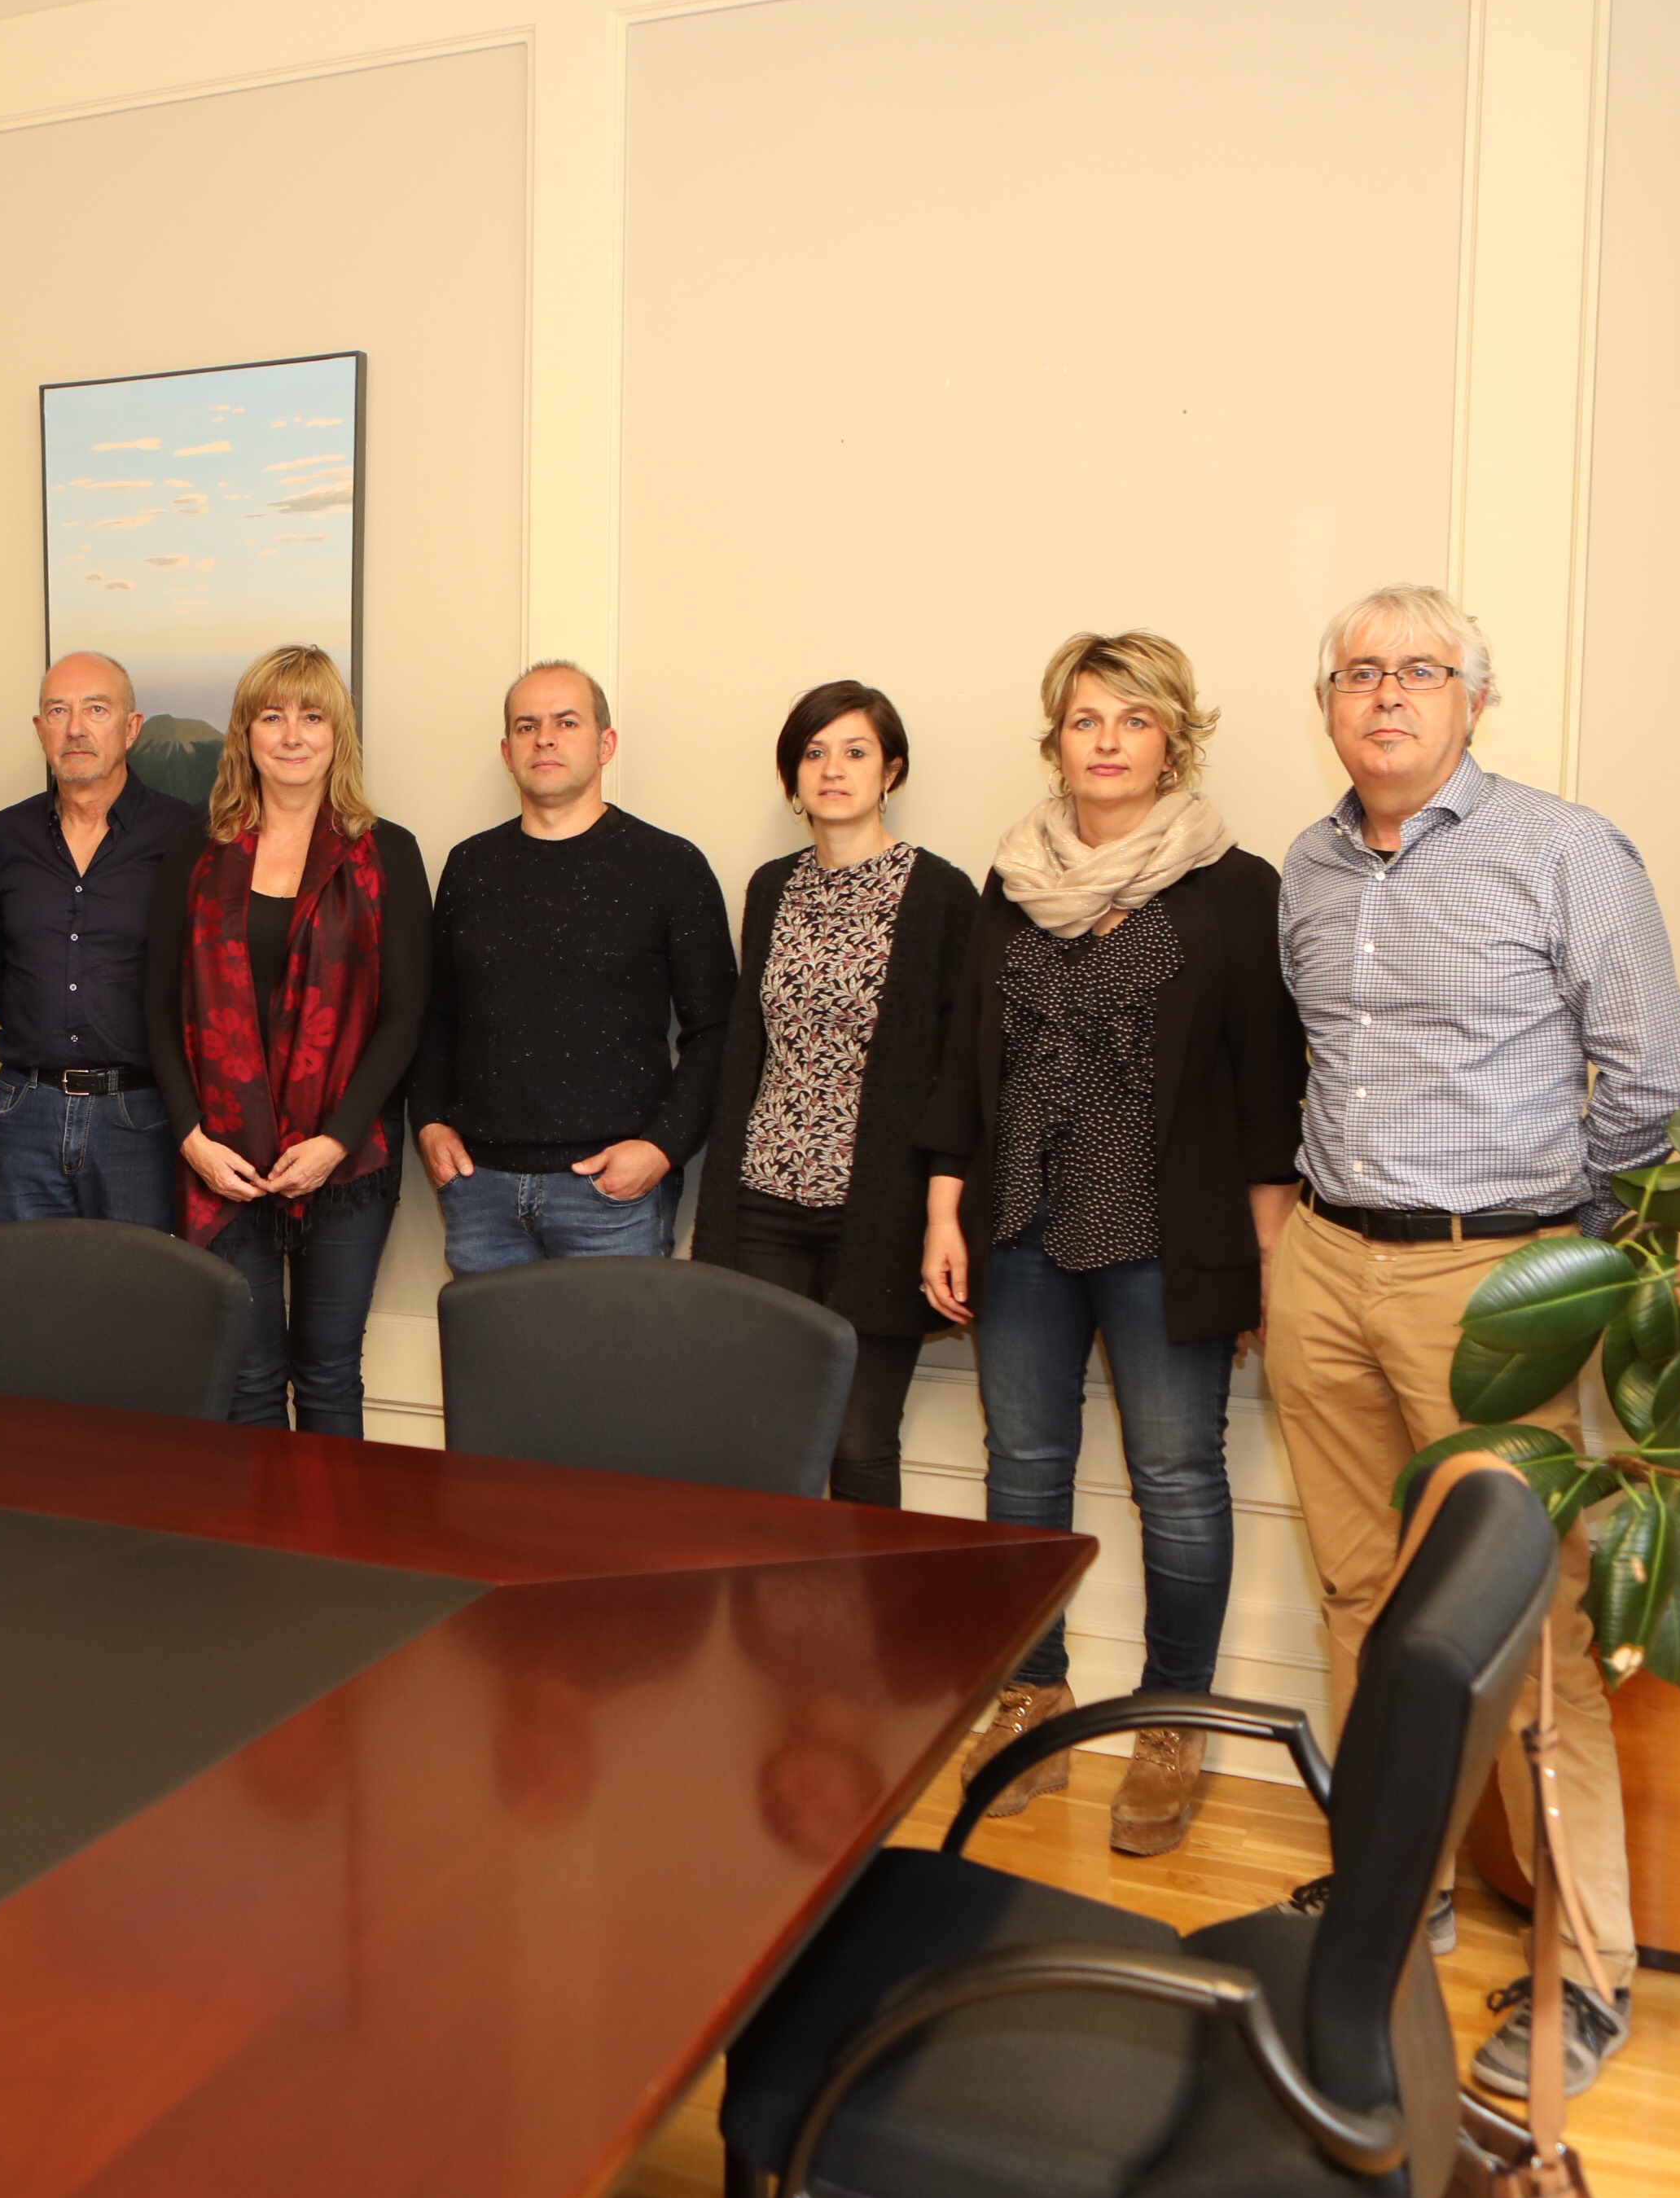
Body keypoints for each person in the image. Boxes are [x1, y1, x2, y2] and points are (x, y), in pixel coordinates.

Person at [1265, 582, 1680, 2100]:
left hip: (1493, 1281)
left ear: (1473, 699)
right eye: (1358, 673)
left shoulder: (1563, 851)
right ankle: (1403, 1896)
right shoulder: (1307, 867)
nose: (1386, 695)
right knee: (1358, 1598)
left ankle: (1586, 1973)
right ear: (1327, 703)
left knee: (1524, 1634)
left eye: (1421, 671)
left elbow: (1652, 1083)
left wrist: (1557, 1252)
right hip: (1326, 1265)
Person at [916, 632, 1302, 1856]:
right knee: (1023, 1472)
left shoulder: (1233, 887)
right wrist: (942, 1207)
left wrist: (1267, 1258)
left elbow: (1268, 1083)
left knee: (1177, 1480)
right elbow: (964, 1057)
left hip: (1165, 1233)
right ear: (1057, 740)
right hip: (1021, 1222)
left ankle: (1174, 1719)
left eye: (1134, 721)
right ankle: (1031, 1698)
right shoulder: (1012, 879)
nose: (1108, 742)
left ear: (1172, 743)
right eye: (1087, 720)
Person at [689, 682, 973, 1505]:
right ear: (793, 776)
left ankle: (864, 1594)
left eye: (855, 752)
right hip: (766, 1197)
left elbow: (957, 1069)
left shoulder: (940, 894)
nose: (833, 770)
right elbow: (747, 1047)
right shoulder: (771, 887)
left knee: (859, 1440)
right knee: (764, 1432)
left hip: (879, 1206)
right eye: (814, 753)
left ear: (892, 772)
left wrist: (944, 1207)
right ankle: (766, 1591)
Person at [143, 644, 432, 1432]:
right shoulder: (197, 851)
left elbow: (405, 1014)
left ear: (339, 734)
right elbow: (159, 1006)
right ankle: (262, 1525)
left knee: (329, 1373)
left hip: (345, 1159)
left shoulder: (388, 852)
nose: (293, 735)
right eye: (272, 716)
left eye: (312, 716)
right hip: (224, 1158)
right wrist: (192, 1139)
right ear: (245, 733)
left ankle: (332, 1523)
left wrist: (335, 1142)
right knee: (248, 1377)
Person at [410, 660, 737, 1268]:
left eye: (566, 722)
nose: (545, 739)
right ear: (507, 753)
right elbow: (437, 1015)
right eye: (527, 726)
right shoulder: (469, 867)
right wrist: (429, 1122)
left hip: (613, 1195)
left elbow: (717, 1029)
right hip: (481, 1190)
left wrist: (662, 1148)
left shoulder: (671, 867)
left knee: (610, 1339)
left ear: (605, 744)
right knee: (488, 1339)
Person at [0, 652, 197, 1231]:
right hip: (26, 1109)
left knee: (136, 1282)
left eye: (96, 709)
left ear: (131, 727)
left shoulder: (184, 836)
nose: (75, 728)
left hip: (140, 1113)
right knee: (27, 1280)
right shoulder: (4, 836)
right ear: (39, 729)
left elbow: (203, 974)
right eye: (58, 711)